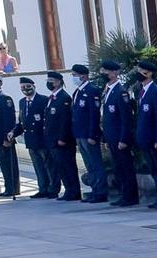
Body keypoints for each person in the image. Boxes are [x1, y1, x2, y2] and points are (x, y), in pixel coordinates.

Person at [134, 58, 157, 209]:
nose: (139, 73)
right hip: (146, 139)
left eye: (141, 71)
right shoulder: (142, 91)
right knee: (154, 170)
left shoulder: (156, 92)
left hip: (156, 140)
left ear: (149, 73)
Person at [100, 59, 138, 207]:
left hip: (120, 138)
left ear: (115, 73)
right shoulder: (108, 90)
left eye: (106, 71)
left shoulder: (120, 92)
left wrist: (124, 139)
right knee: (117, 168)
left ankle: (130, 196)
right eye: (102, 71)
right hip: (111, 137)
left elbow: (126, 118)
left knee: (125, 167)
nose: (103, 73)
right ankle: (123, 194)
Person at [71, 62, 108, 203]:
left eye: (75, 75)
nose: (74, 78)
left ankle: (101, 191)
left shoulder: (91, 91)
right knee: (89, 164)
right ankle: (94, 189)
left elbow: (94, 114)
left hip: (89, 134)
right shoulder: (78, 92)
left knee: (96, 163)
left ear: (84, 76)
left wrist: (93, 134)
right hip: (80, 134)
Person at [45, 71, 80, 201]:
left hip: (62, 141)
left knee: (68, 166)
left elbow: (65, 120)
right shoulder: (52, 98)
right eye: (48, 80)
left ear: (59, 82)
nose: (49, 83)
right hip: (53, 140)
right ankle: (68, 190)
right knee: (61, 167)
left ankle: (73, 191)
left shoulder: (64, 98)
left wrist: (62, 138)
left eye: (51, 81)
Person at [18, 75, 53, 197]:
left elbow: (47, 120)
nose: (25, 89)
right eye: (23, 87)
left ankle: (52, 189)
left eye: (28, 86)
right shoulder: (22, 102)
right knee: (38, 166)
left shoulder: (43, 100)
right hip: (31, 140)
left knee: (49, 166)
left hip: (42, 139)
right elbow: (22, 122)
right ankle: (42, 188)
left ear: (33, 86)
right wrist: (13, 132)